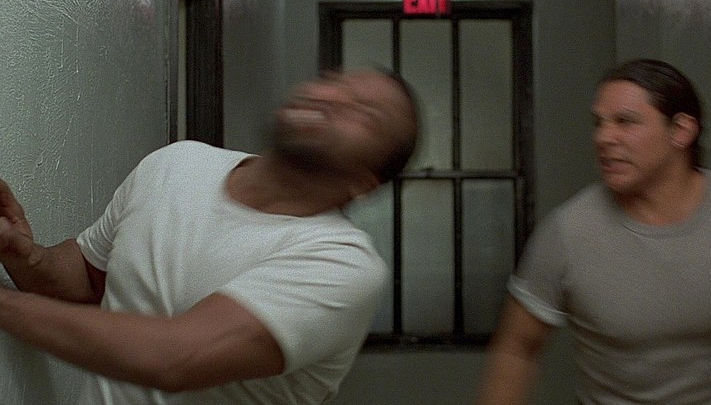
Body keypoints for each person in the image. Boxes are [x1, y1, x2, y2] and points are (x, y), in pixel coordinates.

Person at [0, 68, 418, 404]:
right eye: (334, 81)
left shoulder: (342, 265)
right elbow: (87, 282)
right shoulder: (177, 163)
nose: (332, 98)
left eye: (364, 113)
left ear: (365, 184)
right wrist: (22, 255)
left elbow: (175, 360)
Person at [477, 59, 711, 404]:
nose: (603, 138)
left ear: (681, 131)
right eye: (599, 123)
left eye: (625, 122)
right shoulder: (567, 231)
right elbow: (516, 349)